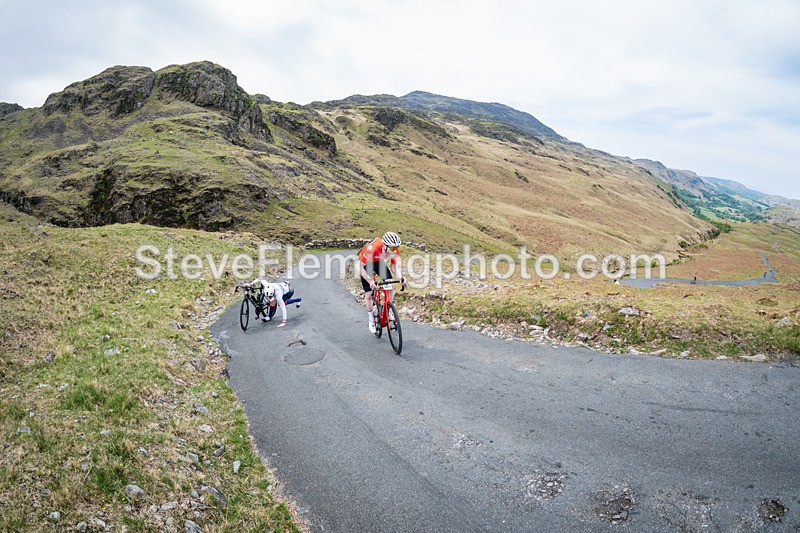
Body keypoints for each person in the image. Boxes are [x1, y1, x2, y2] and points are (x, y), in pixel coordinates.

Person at [359, 232, 404, 333]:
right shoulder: (372, 249)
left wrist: (400, 277)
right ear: (384, 246)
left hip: (378, 262)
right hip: (366, 264)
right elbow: (360, 268)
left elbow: (393, 267)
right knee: (369, 293)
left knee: (390, 284)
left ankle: (388, 309)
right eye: (393, 248)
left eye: (396, 247)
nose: (395, 250)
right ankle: (371, 318)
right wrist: (370, 281)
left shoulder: (394, 251)